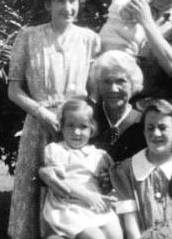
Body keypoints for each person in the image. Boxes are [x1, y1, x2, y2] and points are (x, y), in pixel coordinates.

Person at [7, 0, 101, 239]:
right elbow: (13, 89)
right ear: (48, 3)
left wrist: (84, 118)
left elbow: (94, 91)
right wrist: (41, 112)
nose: (68, 8)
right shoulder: (28, 37)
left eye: (73, 1)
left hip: (76, 130)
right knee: (38, 198)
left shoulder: (89, 39)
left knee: (76, 198)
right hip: (39, 127)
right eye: (61, 1)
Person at [41, 99, 123, 239]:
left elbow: (110, 181)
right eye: (70, 126)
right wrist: (88, 196)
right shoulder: (57, 150)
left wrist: (108, 189)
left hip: (96, 204)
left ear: (92, 129)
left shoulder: (98, 155)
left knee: (116, 234)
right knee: (95, 236)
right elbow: (60, 181)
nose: (76, 132)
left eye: (83, 127)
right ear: (61, 126)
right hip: (70, 206)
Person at [109, 99, 172, 239]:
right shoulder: (126, 170)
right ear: (143, 131)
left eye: (163, 127)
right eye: (150, 128)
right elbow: (130, 223)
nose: (156, 134)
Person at [89, 50, 146, 162]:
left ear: (133, 84)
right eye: (106, 82)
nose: (113, 89)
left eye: (121, 81)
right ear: (98, 85)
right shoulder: (88, 118)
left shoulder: (142, 122)